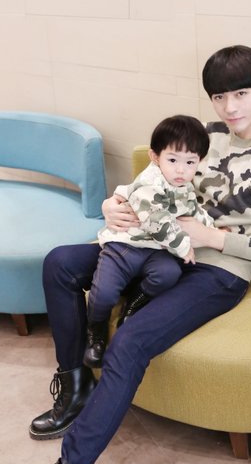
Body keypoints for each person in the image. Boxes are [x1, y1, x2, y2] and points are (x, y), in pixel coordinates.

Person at [0, 44, 251, 464]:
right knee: (59, 264)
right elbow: (153, 178)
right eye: (219, 96)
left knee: (132, 340)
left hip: (218, 272)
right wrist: (114, 205)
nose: (230, 107)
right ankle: (75, 385)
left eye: (241, 94)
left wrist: (210, 237)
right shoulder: (203, 136)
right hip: (156, 247)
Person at [82, 114, 213, 369]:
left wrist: (210, 227)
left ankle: (134, 304)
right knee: (104, 293)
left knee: (168, 274)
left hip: (155, 250)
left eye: (190, 162)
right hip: (125, 246)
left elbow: (192, 211)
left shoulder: (184, 186)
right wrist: (183, 245)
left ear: (200, 161)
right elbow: (156, 220)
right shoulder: (149, 183)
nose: (181, 170)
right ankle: (95, 332)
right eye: (172, 160)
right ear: (155, 157)